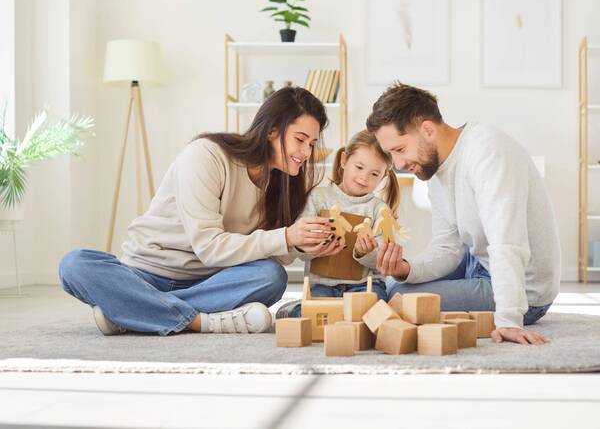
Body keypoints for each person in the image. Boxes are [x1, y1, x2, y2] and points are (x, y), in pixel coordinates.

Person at [59, 87, 336, 336]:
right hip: (146, 273)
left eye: (311, 144)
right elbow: (208, 247)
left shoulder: (282, 184)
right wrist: (287, 236)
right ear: (272, 130)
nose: (306, 152)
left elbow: (270, 251)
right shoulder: (207, 155)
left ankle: (132, 311)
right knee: (75, 265)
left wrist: (304, 245)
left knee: (271, 276)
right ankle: (200, 322)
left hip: (209, 280)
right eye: (300, 139)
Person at [366, 82, 560, 345]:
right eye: (391, 154)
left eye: (400, 149)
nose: (398, 164)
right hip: (478, 263)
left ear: (427, 129)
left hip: (524, 290)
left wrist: (508, 320)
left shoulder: (487, 151)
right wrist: (406, 269)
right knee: (393, 283)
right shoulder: (436, 170)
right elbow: (447, 247)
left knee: (398, 298)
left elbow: (507, 243)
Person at [276, 130, 400, 318]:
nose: (364, 178)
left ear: (383, 177)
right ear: (344, 161)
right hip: (323, 286)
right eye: (359, 167)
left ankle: (343, 314)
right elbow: (299, 250)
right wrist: (313, 244)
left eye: (374, 174)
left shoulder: (379, 209)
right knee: (312, 317)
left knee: (375, 315)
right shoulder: (318, 198)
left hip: (365, 286)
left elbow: (383, 262)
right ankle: (298, 309)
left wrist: (365, 253)